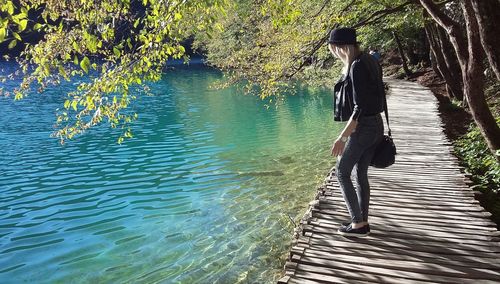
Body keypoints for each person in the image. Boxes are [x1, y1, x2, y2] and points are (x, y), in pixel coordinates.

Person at [328, 27, 385, 237]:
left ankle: (357, 224)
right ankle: (362, 222)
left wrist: (342, 138)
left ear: (339, 48)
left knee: (341, 172)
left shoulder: (356, 67)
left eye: (333, 49)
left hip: (364, 128)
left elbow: (359, 108)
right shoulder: (370, 60)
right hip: (376, 126)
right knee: (360, 173)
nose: (333, 53)